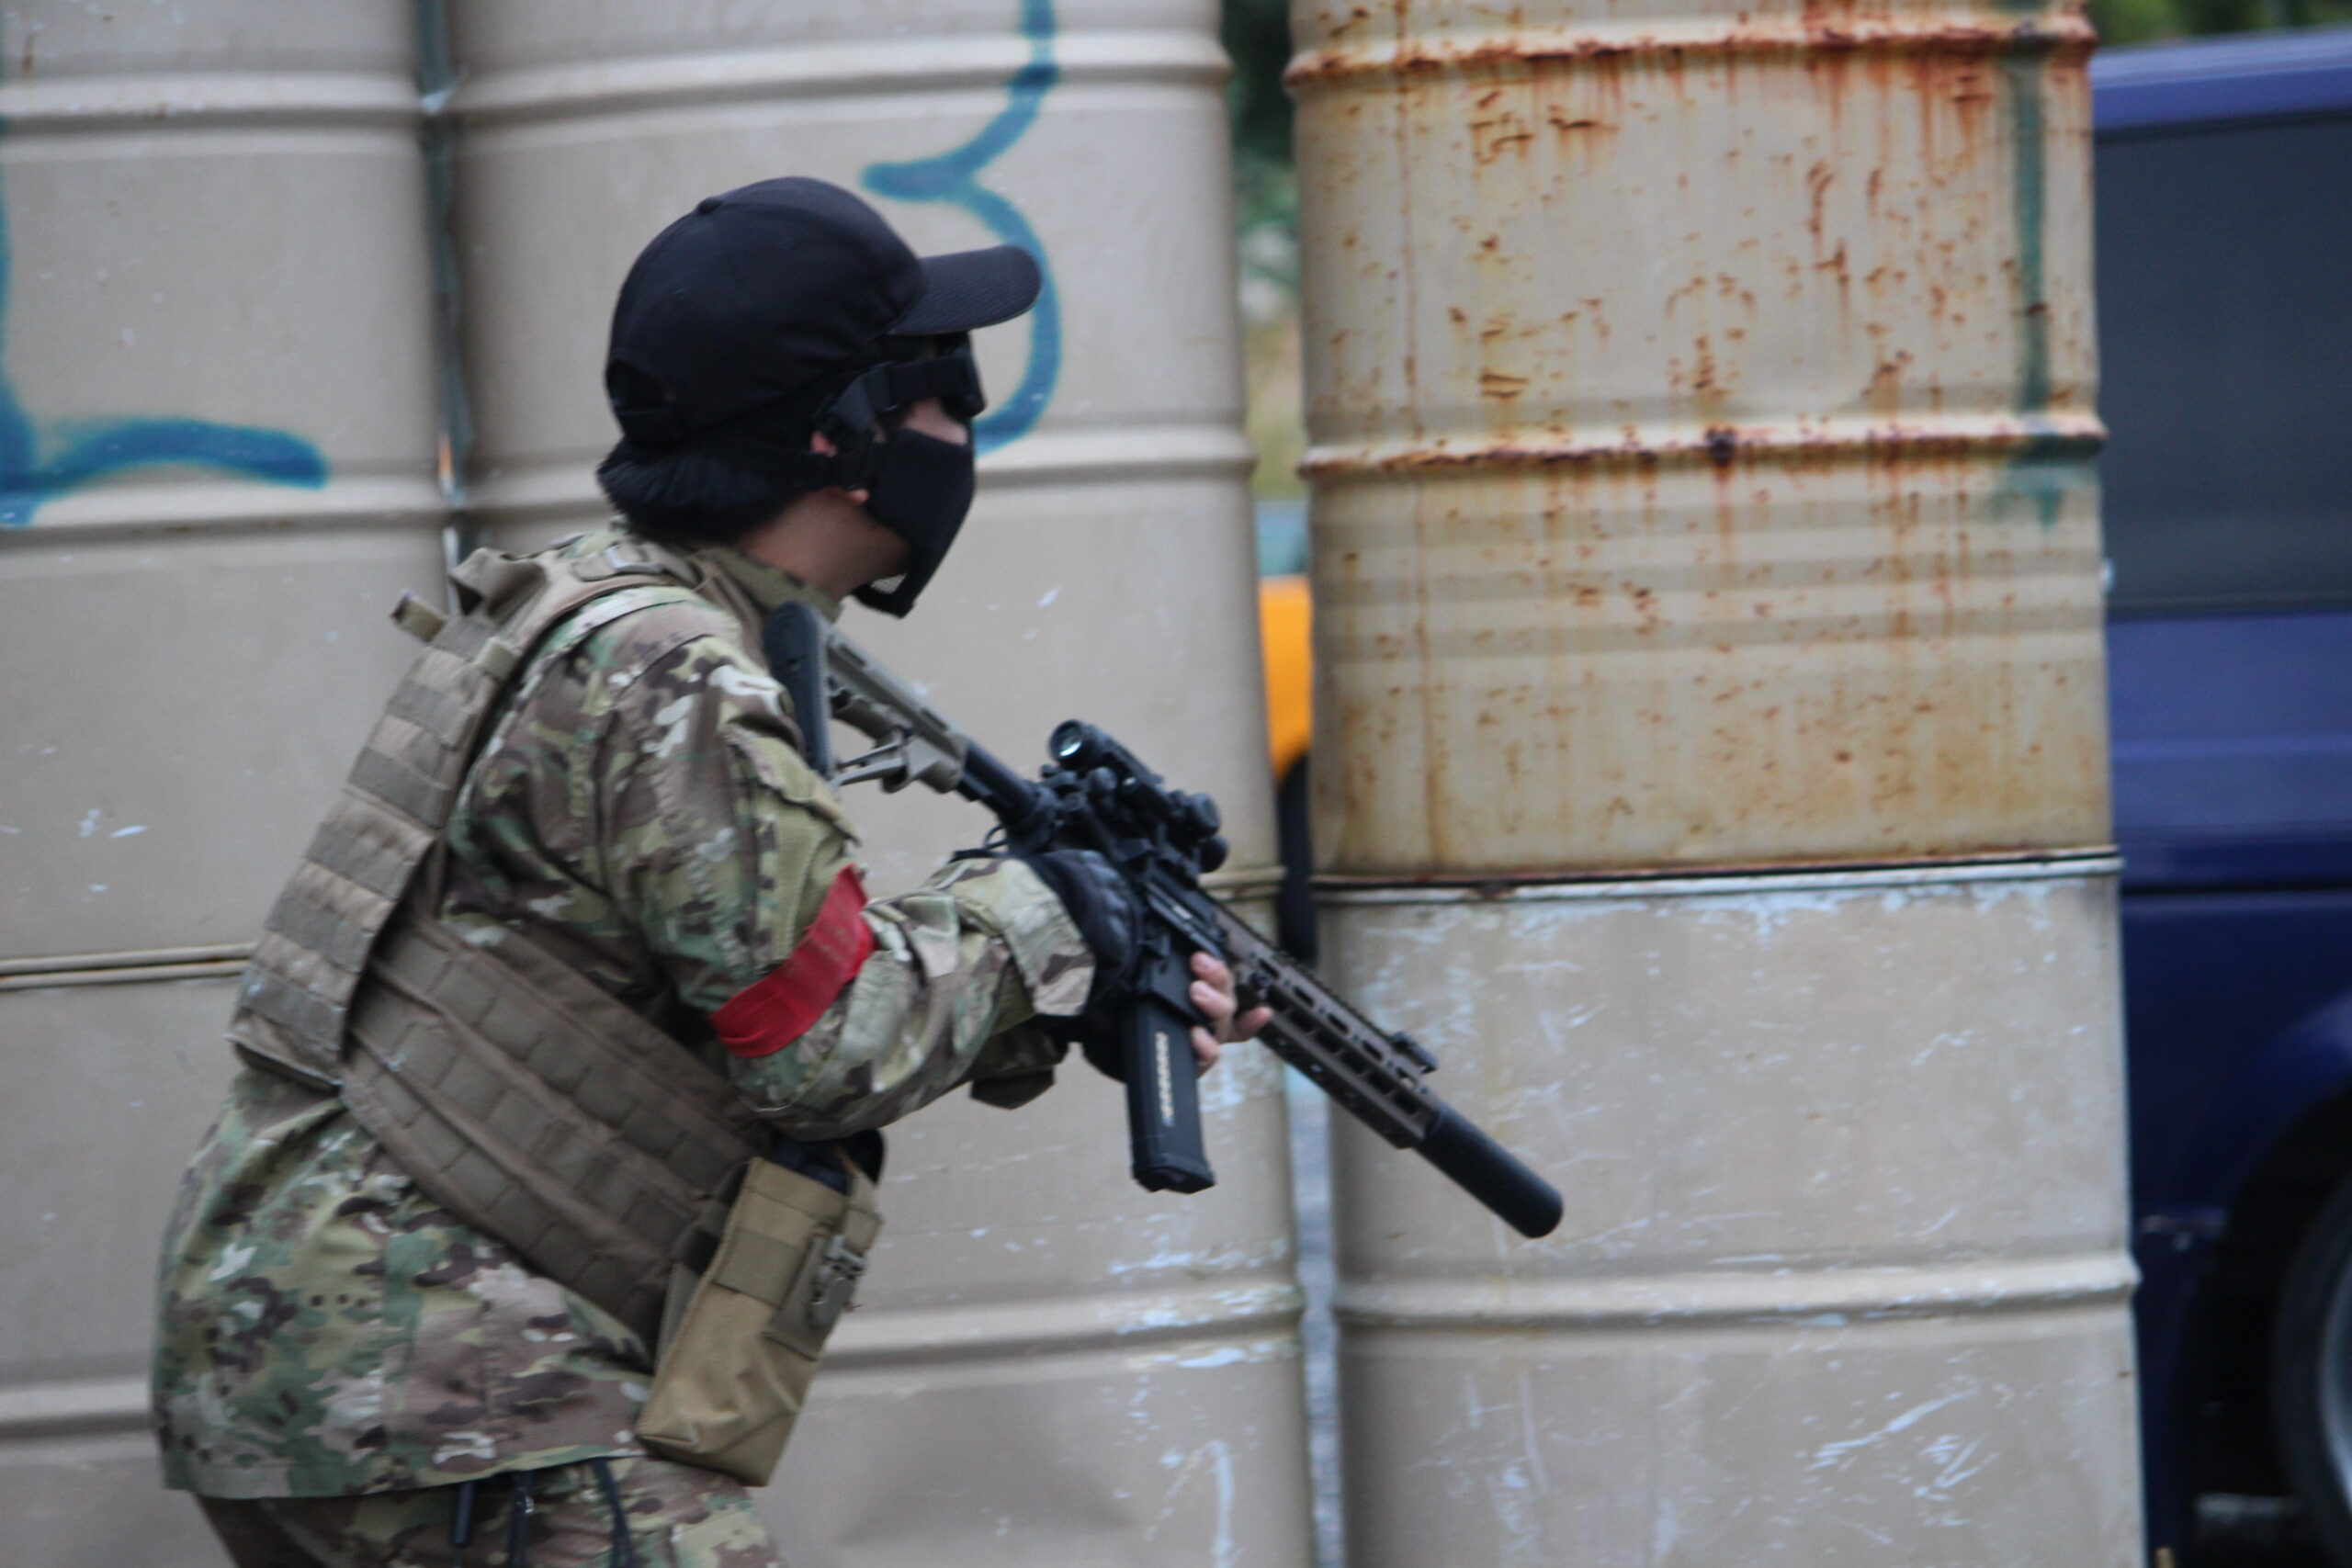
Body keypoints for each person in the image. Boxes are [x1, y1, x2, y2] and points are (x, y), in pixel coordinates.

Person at [151, 176, 1266, 1568]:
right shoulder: (675, 675)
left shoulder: (596, 607)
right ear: (842, 436)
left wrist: (1048, 991)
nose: (964, 427)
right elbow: (823, 1049)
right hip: (446, 1378)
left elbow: (728, 984)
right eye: (947, 388)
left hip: (323, 1344)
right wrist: (1052, 917)